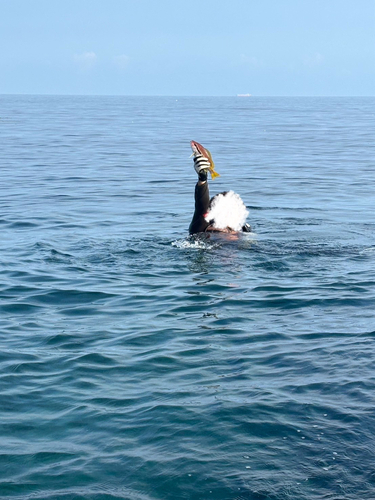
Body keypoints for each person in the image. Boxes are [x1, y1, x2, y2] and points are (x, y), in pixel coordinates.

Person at [189, 142, 251, 235]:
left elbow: (201, 206)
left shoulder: (241, 229)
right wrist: (202, 180)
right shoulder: (203, 227)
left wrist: (202, 179)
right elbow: (201, 206)